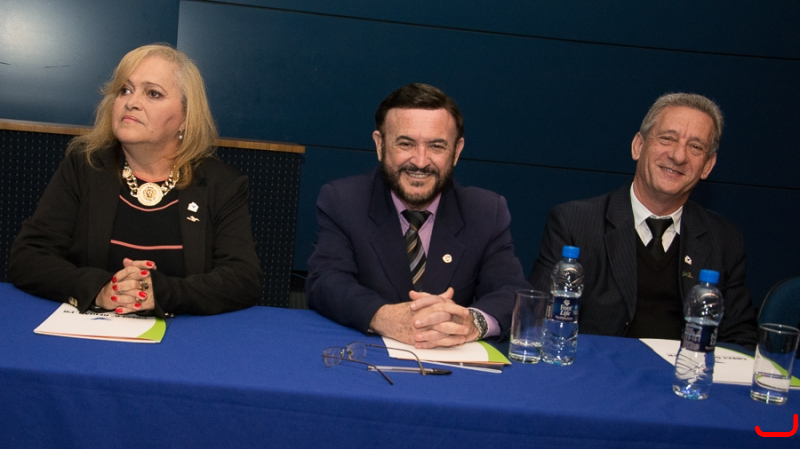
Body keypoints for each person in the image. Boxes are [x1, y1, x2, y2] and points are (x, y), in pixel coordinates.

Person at [10, 44, 262, 317]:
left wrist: (161, 293)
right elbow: (28, 257)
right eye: (125, 90)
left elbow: (243, 278)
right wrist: (101, 289)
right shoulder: (84, 167)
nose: (131, 102)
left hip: (184, 335)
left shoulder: (221, 184)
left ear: (185, 118)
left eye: (153, 93)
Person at [306, 83, 530, 349]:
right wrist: (382, 316)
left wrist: (472, 322)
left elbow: (511, 292)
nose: (421, 162)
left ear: (456, 151)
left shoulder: (485, 211)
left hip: (452, 366)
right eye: (406, 144)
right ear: (380, 145)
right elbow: (326, 281)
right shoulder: (344, 201)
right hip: (369, 360)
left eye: (436, 146)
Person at [528, 93, 758, 347]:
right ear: (638, 146)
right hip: (596, 368)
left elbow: (740, 340)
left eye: (695, 147)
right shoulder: (573, 224)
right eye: (667, 138)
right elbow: (536, 322)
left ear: (707, 166)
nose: (678, 156)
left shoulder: (724, 239)